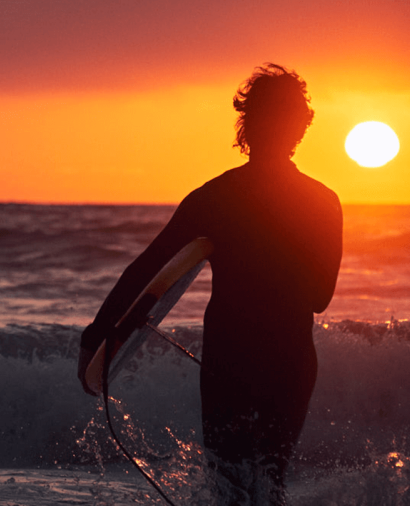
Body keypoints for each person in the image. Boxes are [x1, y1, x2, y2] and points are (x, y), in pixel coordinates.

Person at [77, 63, 342, 505]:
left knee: (229, 490)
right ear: (299, 126)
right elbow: (320, 298)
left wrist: (97, 336)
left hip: (230, 358)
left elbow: (147, 269)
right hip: (289, 359)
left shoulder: (215, 197)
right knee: (271, 484)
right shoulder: (323, 202)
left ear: (247, 122)